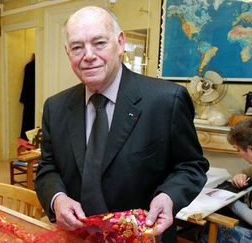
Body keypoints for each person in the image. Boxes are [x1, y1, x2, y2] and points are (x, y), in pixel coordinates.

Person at [34, 6, 209, 242]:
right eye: (77, 47)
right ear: (68, 53)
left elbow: (191, 165)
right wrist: (57, 199)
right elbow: (48, 168)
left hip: (144, 237)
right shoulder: (55, 107)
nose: (88, 55)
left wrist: (168, 197)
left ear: (120, 43)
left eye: (99, 43)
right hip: (78, 237)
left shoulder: (166, 101)